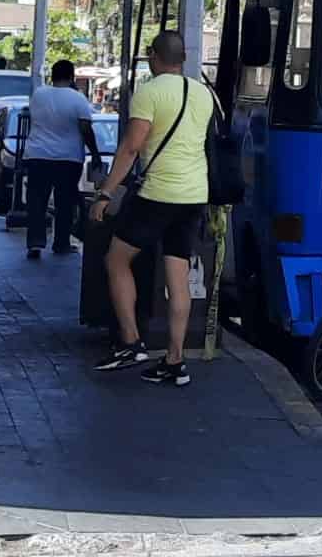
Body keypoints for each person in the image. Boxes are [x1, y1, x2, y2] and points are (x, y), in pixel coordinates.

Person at [89, 31, 211, 386]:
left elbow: (131, 148)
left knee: (116, 259)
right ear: (183, 58)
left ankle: (130, 343)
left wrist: (106, 194)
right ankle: (174, 361)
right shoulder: (202, 93)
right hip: (193, 195)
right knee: (178, 275)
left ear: (154, 57)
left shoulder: (150, 92)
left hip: (158, 193)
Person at [24, 58, 100, 259]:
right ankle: (61, 243)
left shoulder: (38, 95)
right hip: (68, 158)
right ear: (71, 76)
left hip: (38, 155)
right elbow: (85, 129)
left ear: (52, 75)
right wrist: (95, 152)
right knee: (64, 202)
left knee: (37, 200)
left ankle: (35, 242)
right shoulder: (77, 99)